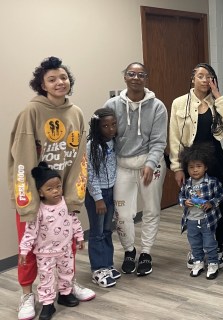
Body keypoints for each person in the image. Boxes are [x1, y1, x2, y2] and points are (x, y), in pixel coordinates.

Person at [9, 56, 95, 320]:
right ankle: (27, 295)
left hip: (62, 198)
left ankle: (65, 287)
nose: (60, 82)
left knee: (66, 246)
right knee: (31, 249)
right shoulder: (31, 112)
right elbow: (22, 160)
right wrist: (30, 203)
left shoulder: (76, 112)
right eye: (52, 79)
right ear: (42, 85)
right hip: (35, 200)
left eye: (63, 77)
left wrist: (72, 198)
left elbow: (79, 158)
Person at [105, 62, 168, 277]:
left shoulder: (157, 106)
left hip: (150, 164)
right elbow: (106, 136)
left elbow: (159, 141)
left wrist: (150, 164)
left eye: (141, 75)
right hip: (122, 164)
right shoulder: (112, 104)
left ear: (146, 79)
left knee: (151, 210)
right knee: (122, 213)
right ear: (125, 77)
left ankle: (146, 253)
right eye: (131, 74)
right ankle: (129, 251)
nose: (136, 78)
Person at [169, 63, 223, 269]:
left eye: (209, 77)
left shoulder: (218, 102)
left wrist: (218, 95)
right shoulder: (179, 103)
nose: (205, 80)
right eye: (201, 76)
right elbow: (174, 137)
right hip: (191, 161)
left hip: (214, 160)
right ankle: (197, 250)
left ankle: (219, 247)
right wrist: (177, 167)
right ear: (192, 79)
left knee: (216, 204)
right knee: (193, 204)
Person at [19, 162, 85, 320]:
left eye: (58, 187)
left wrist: (80, 237)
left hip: (65, 250)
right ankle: (48, 304)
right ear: (41, 192)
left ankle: (65, 294)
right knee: (46, 279)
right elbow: (30, 232)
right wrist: (23, 250)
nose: (56, 191)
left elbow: (74, 221)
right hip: (45, 253)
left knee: (67, 273)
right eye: (50, 189)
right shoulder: (39, 211)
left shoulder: (66, 204)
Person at [178, 143, 223, 280]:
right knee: (194, 243)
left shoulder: (212, 182)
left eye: (198, 166)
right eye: (191, 167)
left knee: (210, 243)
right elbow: (180, 196)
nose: (195, 170)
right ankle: (198, 262)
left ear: (206, 167)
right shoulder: (186, 184)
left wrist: (212, 203)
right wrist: (184, 202)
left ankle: (212, 263)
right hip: (191, 220)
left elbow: (221, 195)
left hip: (207, 220)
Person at [86, 108, 121, 288]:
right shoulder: (92, 146)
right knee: (97, 233)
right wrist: (98, 198)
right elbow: (90, 174)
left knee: (107, 231)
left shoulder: (113, 142)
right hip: (96, 195)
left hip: (109, 192)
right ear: (97, 127)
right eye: (105, 126)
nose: (110, 129)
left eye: (113, 124)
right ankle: (98, 269)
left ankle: (108, 264)